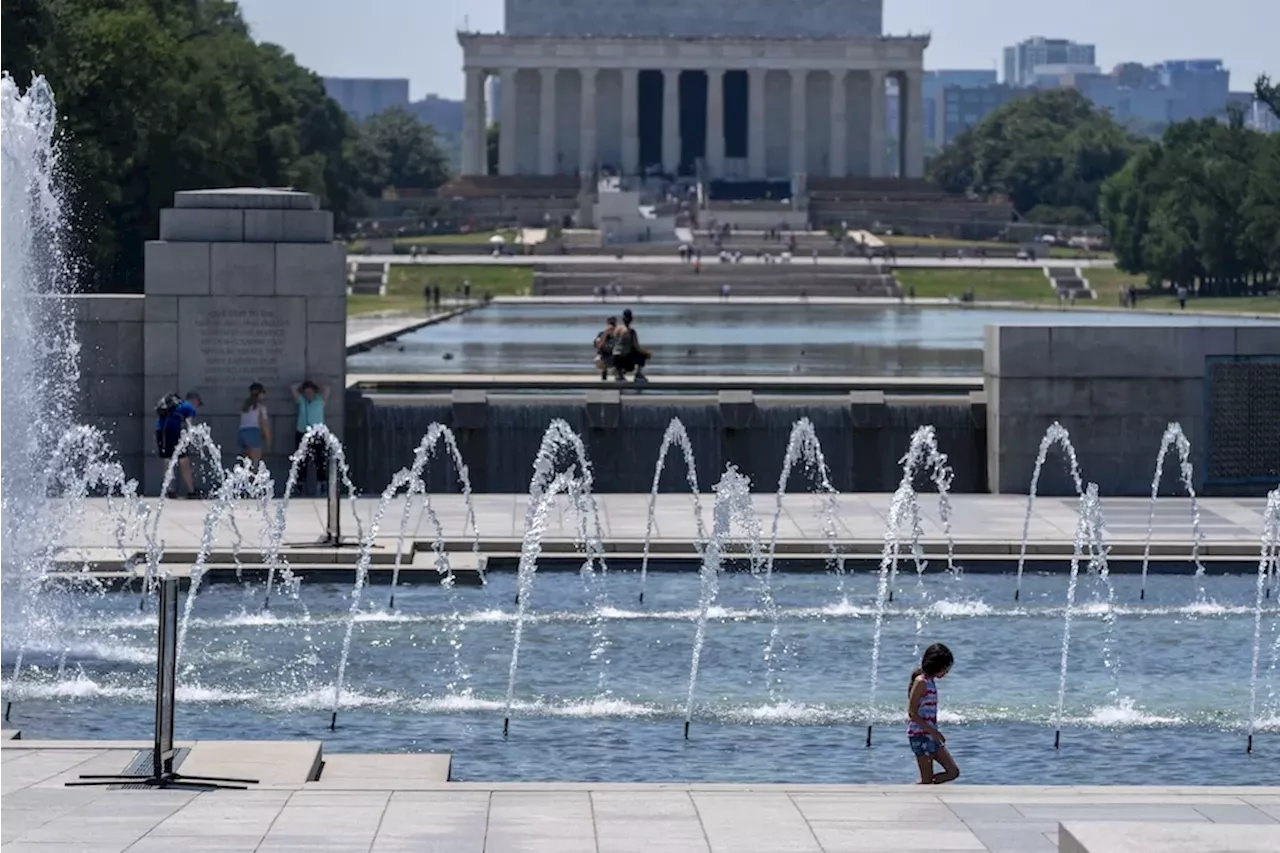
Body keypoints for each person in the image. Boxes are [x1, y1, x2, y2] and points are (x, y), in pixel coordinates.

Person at [907, 643, 960, 785]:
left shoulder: (930, 682)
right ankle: (919, 793)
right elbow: (912, 713)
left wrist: (934, 733)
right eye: (945, 669)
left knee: (953, 772)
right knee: (926, 780)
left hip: (931, 736)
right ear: (936, 665)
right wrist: (933, 732)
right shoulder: (921, 682)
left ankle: (930, 786)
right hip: (919, 736)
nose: (946, 673)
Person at [154, 391, 202, 499]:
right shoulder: (189, 407)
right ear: (195, 400)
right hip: (173, 432)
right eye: (199, 404)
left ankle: (170, 489)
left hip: (161, 432)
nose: (198, 407)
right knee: (184, 460)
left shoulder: (178, 405)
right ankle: (191, 491)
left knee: (168, 460)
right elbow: (190, 426)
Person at [292, 381, 330, 496]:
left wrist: (315, 383)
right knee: (302, 461)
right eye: (306, 391)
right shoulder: (301, 400)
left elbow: (327, 388)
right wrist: (303, 384)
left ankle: (322, 485)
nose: (308, 393)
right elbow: (293, 388)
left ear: (314, 391)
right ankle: (300, 486)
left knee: (320, 460)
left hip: (318, 434)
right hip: (302, 432)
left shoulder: (320, 400)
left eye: (310, 391)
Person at [611, 308, 650, 382]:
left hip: (615, 358)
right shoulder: (631, 332)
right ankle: (638, 375)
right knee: (642, 355)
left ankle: (620, 374)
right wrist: (647, 353)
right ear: (631, 319)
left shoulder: (617, 329)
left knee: (623, 352)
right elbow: (637, 347)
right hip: (625, 360)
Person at [238, 382, 271, 467]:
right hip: (253, 433)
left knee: (245, 463)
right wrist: (268, 440)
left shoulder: (245, 406)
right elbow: (265, 424)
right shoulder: (261, 407)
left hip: (242, 433)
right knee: (255, 464)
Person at [594, 316, 618, 381]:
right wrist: (605, 334)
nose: (611, 326)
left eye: (613, 324)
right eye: (610, 323)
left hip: (615, 358)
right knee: (597, 360)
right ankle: (604, 371)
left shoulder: (619, 334)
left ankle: (619, 373)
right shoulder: (601, 334)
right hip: (604, 357)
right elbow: (598, 345)